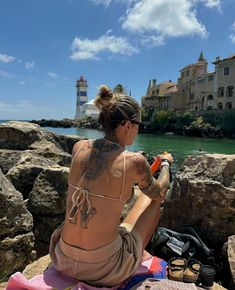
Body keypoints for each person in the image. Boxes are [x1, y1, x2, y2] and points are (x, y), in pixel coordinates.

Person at [49, 85, 173, 287]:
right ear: (126, 125)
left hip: (63, 257)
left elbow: (107, 174)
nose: (138, 128)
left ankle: (130, 248)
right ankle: (138, 254)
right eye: (138, 124)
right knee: (154, 201)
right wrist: (166, 164)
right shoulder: (133, 161)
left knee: (133, 210)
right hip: (104, 268)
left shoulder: (78, 147)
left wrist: (144, 167)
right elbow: (159, 193)